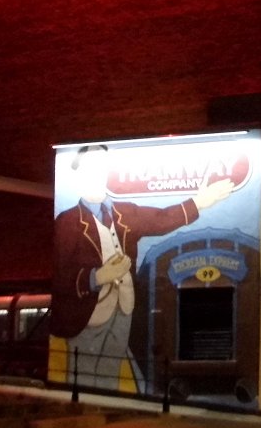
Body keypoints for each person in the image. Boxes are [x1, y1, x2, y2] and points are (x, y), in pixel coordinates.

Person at [51, 144, 234, 392]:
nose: (98, 173)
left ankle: (106, 405)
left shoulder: (125, 213)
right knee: (82, 374)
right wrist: (98, 276)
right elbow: (60, 278)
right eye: (91, 167)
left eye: (102, 167)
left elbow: (161, 218)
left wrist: (198, 203)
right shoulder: (68, 221)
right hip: (87, 314)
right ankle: (85, 405)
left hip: (124, 308)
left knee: (110, 371)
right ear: (79, 172)